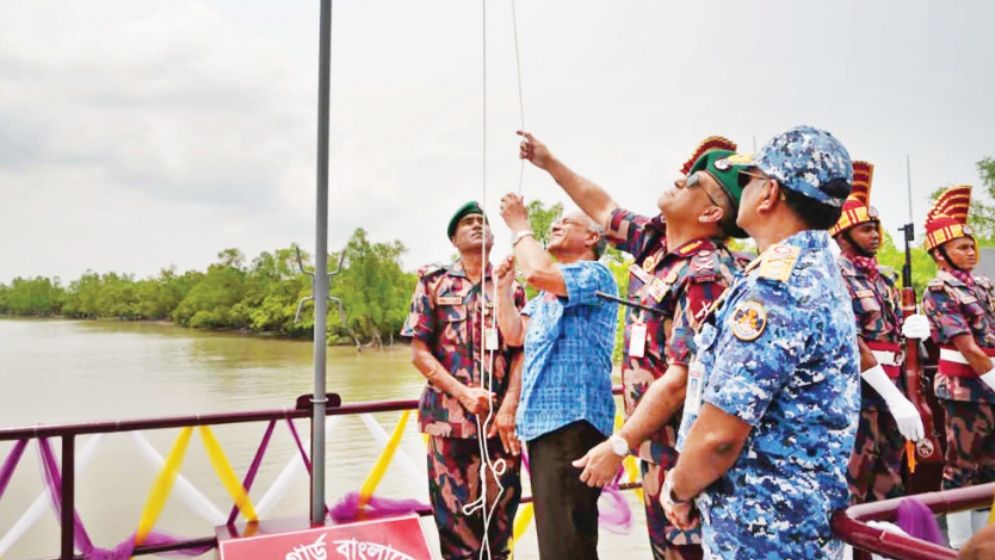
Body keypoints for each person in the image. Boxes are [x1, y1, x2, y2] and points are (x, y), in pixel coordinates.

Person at [518, 131, 747, 560]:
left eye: (695, 183)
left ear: (712, 211)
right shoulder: (657, 245)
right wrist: (549, 163)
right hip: (655, 446)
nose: (682, 181)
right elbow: (601, 206)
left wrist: (620, 443)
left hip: (689, 453)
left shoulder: (707, 272)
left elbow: (680, 380)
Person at [663, 125, 860, 558]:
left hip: (763, 530)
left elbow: (719, 437)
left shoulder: (775, 289)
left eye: (749, 179)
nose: (743, 189)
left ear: (769, 193)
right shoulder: (817, 267)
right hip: (790, 524)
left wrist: (678, 488)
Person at [493, 194, 618, 560]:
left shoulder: (596, 274)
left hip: (572, 424)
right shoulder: (545, 296)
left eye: (567, 223)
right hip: (545, 427)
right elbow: (516, 334)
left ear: (592, 238)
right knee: (559, 540)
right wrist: (502, 290)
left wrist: (519, 226)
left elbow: (536, 273)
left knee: (567, 545)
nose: (556, 226)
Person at [400, 201, 524, 560]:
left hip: (499, 427)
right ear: (454, 239)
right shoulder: (433, 281)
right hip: (449, 424)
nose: (476, 226)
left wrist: (510, 408)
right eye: (467, 223)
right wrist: (463, 394)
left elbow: (521, 351)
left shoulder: (507, 284)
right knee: (454, 526)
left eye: (482, 221)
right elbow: (419, 353)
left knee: (500, 521)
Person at [830, 161, 928, 504]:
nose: (875, 235)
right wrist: (894, 396)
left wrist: (917, 330)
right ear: (842, 236)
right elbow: (852, 344)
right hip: (860, 396)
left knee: (890, 483)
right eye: (865, 229)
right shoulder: (834, 275)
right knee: (854, 486)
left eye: (876, 228)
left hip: (893, 388)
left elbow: (894, 337)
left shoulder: (884, 279)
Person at [920, 184, 995, 549]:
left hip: (991, 384)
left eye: (971, 246)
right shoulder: (939, 289)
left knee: (990, 467)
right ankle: (957, 547)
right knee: (961, 468)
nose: (971, 252)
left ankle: (984, 542)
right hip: (964, 389)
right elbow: (966, 344)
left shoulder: (983, 286)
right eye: (962, 247)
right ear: (939, 253)